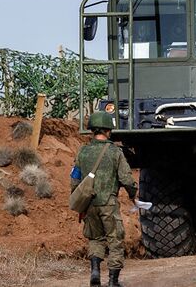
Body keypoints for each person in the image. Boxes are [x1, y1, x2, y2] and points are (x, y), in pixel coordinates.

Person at [70, 111, 137, 287]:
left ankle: (95, 272)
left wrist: (80, 203)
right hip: (108, 203)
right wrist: (133, 194)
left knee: (95, 238)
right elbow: (127, 179)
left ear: (92, 130)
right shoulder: (115, 152)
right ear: (108, 130)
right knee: (115, 240)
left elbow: (75, 179)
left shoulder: (82, 151)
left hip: (89, 204)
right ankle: (113, 281)